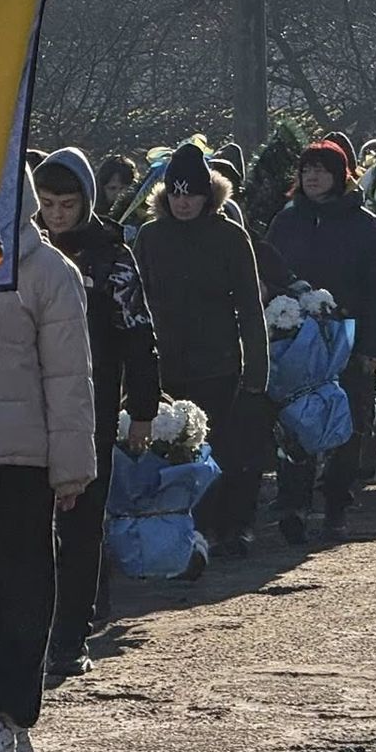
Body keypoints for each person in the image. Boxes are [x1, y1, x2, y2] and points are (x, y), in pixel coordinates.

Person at [0, 171, 95, 752]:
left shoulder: (48, 272)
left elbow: (69, 378)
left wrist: (70, 468)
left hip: (23, 460)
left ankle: (4, 714)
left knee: (19, 587)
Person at [34, 148, 161, 682]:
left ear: (86, 201)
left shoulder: (111, 259)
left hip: (93, 403)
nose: (58, 215)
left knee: (82, 525)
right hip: (26, 406)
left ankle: (71, 636)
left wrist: (143, 409)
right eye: (47, 204)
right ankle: (34, 632)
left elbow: (139, 334)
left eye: (68, 204)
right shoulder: (22, 253)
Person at [137, 144, 271, 556]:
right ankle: (183, 534)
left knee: (226, 450)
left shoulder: (230, 237)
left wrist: (256, 372)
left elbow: (250, 306)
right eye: (176, 194)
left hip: (219, 362)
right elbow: (137, 305)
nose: (183, 202)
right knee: (172, 454)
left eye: (191, 194)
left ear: (207, 195)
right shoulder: (150, 237)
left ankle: (232, 526)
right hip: (167, 364)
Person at [265, 140, 376, 544]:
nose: (313, 177)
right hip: (295, 340)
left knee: (347, 422)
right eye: (306, 171)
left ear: (341, 176)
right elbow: (269, 272)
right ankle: (294, 502)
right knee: (293, 420)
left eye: (321, 170)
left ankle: (336, 503)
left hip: (348, 339)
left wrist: (374, 347)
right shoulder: (286, 223)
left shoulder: (365, 224)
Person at [94, 154, 140, 224]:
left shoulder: (139, 213)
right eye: (112, 188)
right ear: (101, 188)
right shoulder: (91, 216)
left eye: (123, 188)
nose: (118, 193)